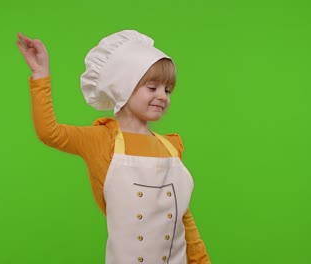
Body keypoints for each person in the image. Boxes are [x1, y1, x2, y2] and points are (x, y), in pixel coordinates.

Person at [16, 30, 211, 264]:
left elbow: (183, 217)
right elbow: (50, 133)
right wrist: (40, 75)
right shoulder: (101, 140)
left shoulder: (171, 146)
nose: (163, 96)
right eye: (152, 87)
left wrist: (201, 260)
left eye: (167, 90)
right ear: (122, 87)